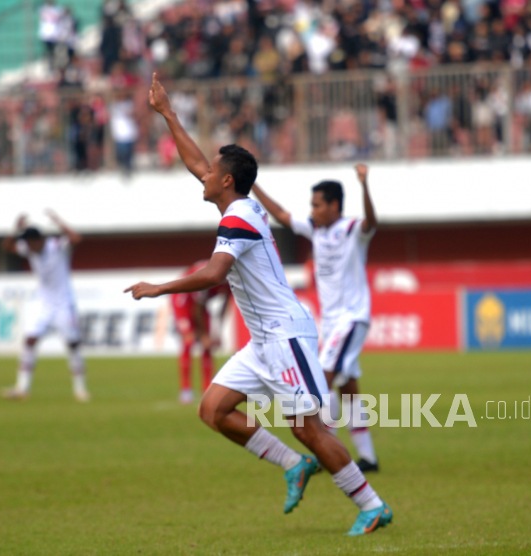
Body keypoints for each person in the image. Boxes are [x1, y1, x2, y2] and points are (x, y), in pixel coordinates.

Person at [125, 74, 391, 536]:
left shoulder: (241, 216)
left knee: (310, 428)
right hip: (264, 341)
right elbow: (194, 162)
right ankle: (293, 466)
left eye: (209, 172)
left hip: (287, 337)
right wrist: (167, 114)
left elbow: (213, 274)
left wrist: (159, 288)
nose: (200, 175)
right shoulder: (234, 206)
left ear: (225, 181)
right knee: (213, 409)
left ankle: (371, 505)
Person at [252, 165, 381, 473]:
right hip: (334, 321)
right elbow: (282, 215)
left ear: (334, 205)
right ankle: (368, 458)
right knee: (347, 385)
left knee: (319, 381)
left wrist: (364, 186)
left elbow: (372, 221)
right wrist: (252, 184)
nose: (312, 210)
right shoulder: (316, 229)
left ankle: (326, 449)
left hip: (351, 318)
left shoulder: (351, 230)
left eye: (317, 204)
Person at [1, 210, 90, 402]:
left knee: (72, 345)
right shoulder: (29, 249)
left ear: (39, 240)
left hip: (64, 303)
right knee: (30, 340)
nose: (27, 246)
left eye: (29, 242)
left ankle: (80, 389)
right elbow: (7, 246)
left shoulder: (56, 245)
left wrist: (58, 221)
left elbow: (76, 239)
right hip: (42, 303)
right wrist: (15, 229)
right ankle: (22, 388)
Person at [171, 260, 231, 404]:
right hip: (183, 299)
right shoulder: (208, 276)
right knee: (189, 341)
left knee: (208, 346)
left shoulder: (231, 279)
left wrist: (218, 333)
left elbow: (224, 306)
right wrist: (203, 335)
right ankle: (186, 389)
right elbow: (196, 308)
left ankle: (207, 388)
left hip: (200, 305)